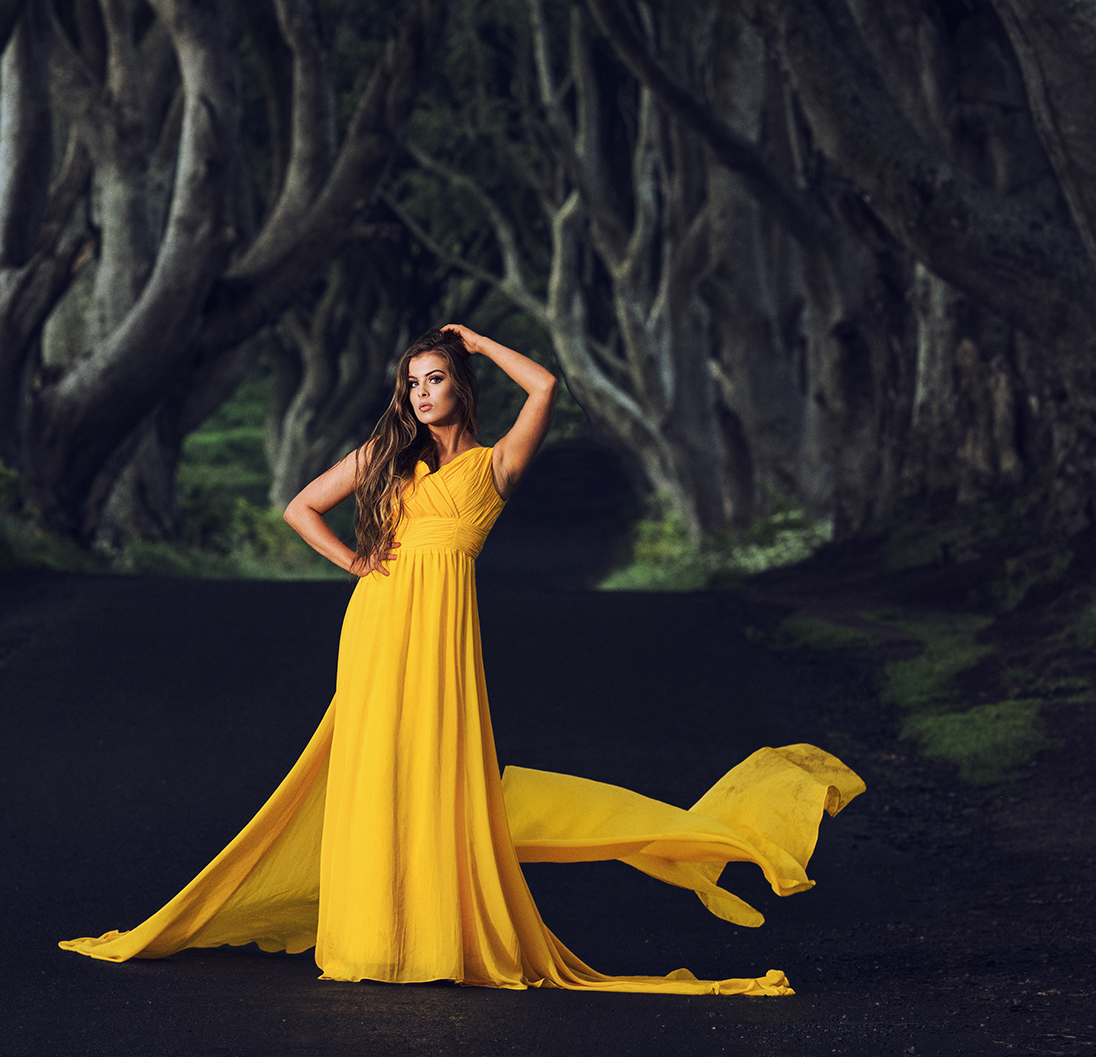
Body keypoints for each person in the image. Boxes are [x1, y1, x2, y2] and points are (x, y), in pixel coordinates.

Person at [60, 325, 862, 995]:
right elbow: (300, 506)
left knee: (440, 773)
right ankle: (372, 939)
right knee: (373, 770)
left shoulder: (493, 467)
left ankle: (437, 936)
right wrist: (353, 564)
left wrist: (474, 338)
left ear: (460, 386)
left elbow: (544, 385)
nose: (421, 393)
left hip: (445, 627)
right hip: (380, 618)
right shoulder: (386, 455)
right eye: (412, 382)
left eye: (435, 378)